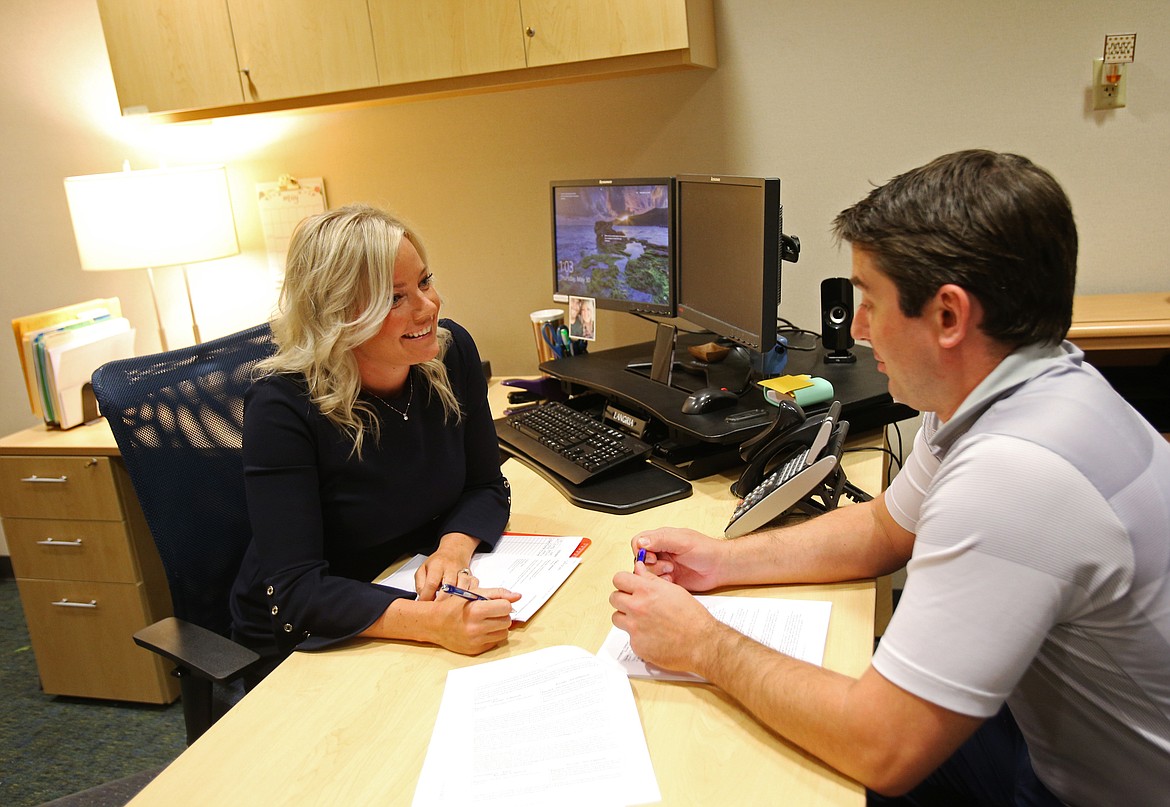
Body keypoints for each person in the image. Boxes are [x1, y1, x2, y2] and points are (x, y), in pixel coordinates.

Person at [610, 150, 1170, 804]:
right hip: (1043, 728)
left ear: (949, 316)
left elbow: (883, 747)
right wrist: (721, 561)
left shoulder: (1017, 472)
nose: (863, 330)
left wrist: (704, 644)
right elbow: (883, 528)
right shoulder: (1016, 383)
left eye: (870, 301)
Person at [231, 204, 518, 683]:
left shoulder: (450, 353)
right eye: (393, 298)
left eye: (424, 282)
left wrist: (451, 552)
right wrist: (430, 622)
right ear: (336, 316)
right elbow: (297, 591)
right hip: (318, 633)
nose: (428, 307)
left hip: (411, 585)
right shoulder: (283, 407)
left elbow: (486, 485)